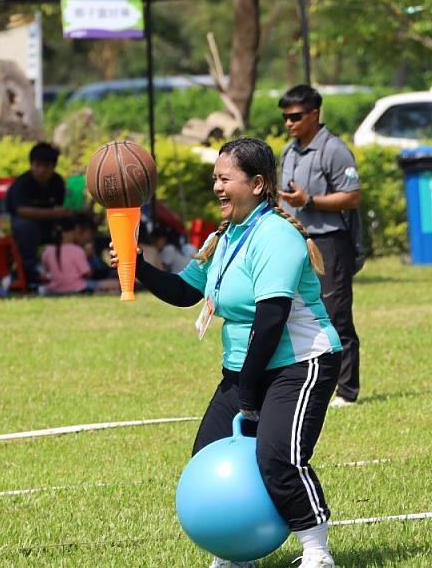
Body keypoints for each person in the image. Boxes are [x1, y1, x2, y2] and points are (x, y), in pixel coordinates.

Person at [111, 138, 342, 568]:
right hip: (244, 368)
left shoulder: (275, 235)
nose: (216, 187)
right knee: (209, 453)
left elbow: (271, 321)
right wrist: (138, 265)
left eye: (225, 178)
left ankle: (316, 549)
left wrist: (250, 393)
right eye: (214, 178)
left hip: (300, 364)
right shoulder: (225, 236)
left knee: (278, 455)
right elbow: (184, 292)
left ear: (257, 183)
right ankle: (237, 552)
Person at [277, 84, 361, 408]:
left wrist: (309, 200)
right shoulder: (289, 151)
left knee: (336, 314)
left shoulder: (334, 150)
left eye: (295, 116)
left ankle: (347, 391)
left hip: (329, 241)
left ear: (314, 114)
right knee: (298, 312)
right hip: (296, 240)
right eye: (285, 117)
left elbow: (352, 196)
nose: (289, 123)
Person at [5, 142, 74, 287]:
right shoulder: (22, 183)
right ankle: (28, 272)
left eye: (46, 166)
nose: (41, 170)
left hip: (47, 224)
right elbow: (21, 210)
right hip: (21, 225)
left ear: (53, 167)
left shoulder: (57, 182)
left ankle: (72, 267)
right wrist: (53, 213)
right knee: (28, 228)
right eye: (38, 165)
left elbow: (60, 206)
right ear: (31, 165)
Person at [40, 218, 118, 295]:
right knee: (115, 283)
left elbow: (46, 272)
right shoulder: (76, 250)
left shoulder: (47, 251)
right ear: (71, 232)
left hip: (55, 289)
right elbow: (88, 273)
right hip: (77, 287)